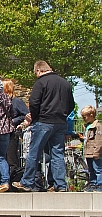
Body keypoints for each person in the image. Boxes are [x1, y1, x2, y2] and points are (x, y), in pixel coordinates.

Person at [13, 60, 75, 192]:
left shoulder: (41, 82)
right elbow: (71, 105)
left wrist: (34, 118)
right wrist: (62, 115)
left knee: (34, 152)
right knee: (57, 154)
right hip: (60, 122)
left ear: (39, 71)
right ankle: (60, 185)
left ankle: (27, 182)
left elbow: (34, 102)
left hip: (43, 121)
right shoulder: (65, 83)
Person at [3, 80, 29, 183]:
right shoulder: (1, 101)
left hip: (11, 134)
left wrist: (14, 121)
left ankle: (13, 180)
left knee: (11, 158)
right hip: (1, 133)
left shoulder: (16, 101)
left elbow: (25, 114)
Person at [83, 106, 102, 192]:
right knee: (90, 170)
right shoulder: (88, 126)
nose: (84, 118)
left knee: (97, 169)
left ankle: (99, 184)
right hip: (88, 153)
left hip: (95, 153)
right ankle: (93, 183)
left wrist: (97, 152)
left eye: (85, 116)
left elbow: (99, 140)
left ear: (91, 115)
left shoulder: (97, 126)